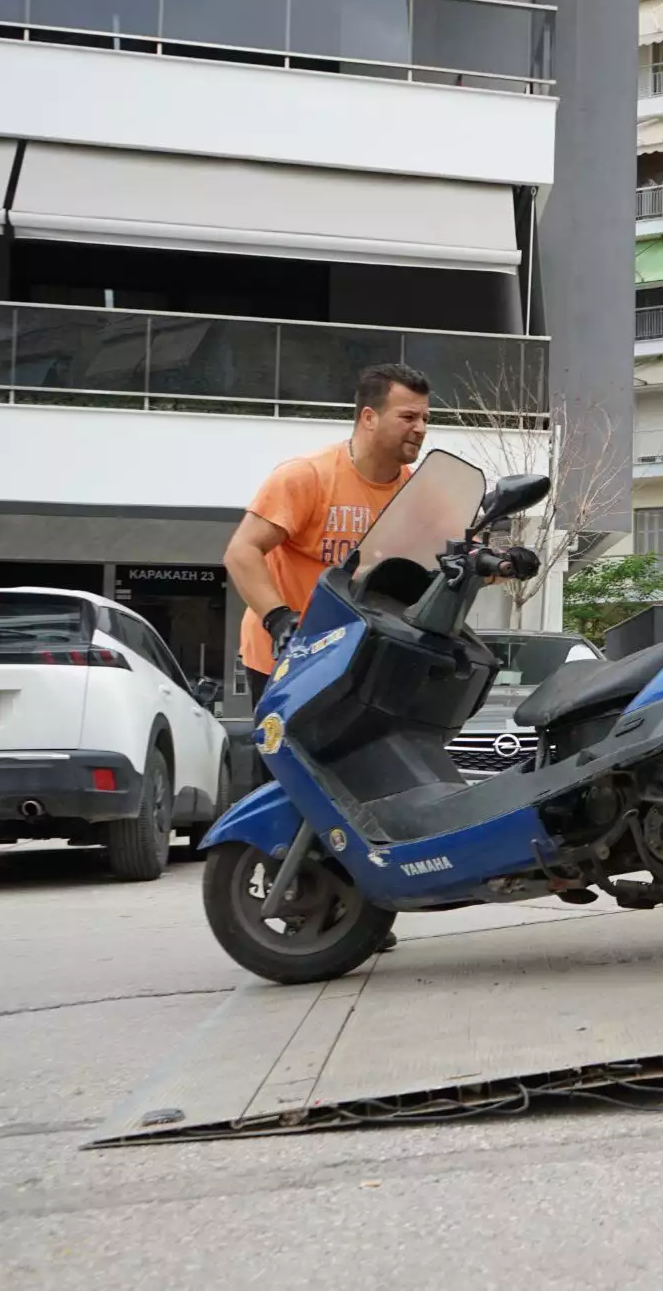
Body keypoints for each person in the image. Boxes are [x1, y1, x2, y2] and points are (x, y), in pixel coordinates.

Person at [223, 362, 433, 954]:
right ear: (369, 417)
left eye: (425, 418)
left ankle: (358, 909)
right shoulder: (307, 477)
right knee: (294, 791)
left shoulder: (412, 491)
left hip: (356, 662)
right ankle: (294, 909)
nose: (420, 428)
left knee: (354, 784)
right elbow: (241, 553)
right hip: (285, 655)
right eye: (408, 416)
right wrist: (279, 618)